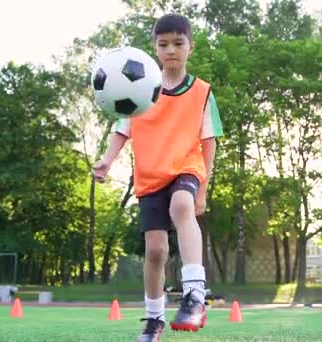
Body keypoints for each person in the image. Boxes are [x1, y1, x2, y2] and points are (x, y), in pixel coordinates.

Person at [93, 13, 223, 342]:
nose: (171, 50)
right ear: (154, 48)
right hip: (150, 177)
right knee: (155, 251)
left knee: (182, 206)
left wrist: (203, 189)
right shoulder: (139, 89)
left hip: (186, 168)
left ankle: (195, 293)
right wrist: (107, 161)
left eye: (178, 44)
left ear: (190, 47)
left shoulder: (203, 93)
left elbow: (210, 142)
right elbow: (122, 131)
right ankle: (154, 319)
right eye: (163, 44)